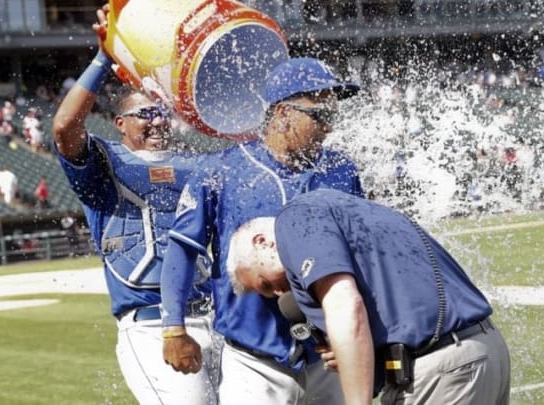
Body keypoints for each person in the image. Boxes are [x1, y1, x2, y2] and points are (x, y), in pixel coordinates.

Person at [161, 57, 364, 405]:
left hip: (328, 359)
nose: (329, 127)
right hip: (254, 361)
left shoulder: (341, 170)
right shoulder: (221, 171)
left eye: (334, 115)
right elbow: (182, 249)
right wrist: (174, 328)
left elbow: (361, 255)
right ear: (284, 114)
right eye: (321, 115)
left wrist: (355, 336)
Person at [51, 6, 218, 405]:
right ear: (119, 123)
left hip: (217, 318)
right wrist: (105, 58)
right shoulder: (105, 165)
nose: (157, 121)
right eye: (144, 113)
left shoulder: (197, 164)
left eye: (161, 113)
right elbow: (63, 128)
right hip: (150, 324)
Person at [226, 189, 512, 405]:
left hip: (441, 369)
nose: (278, 293)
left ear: (262, 242)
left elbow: (347, 307)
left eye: (265, 284)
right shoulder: (346, 210)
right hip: (482, 350)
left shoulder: (295, 218)